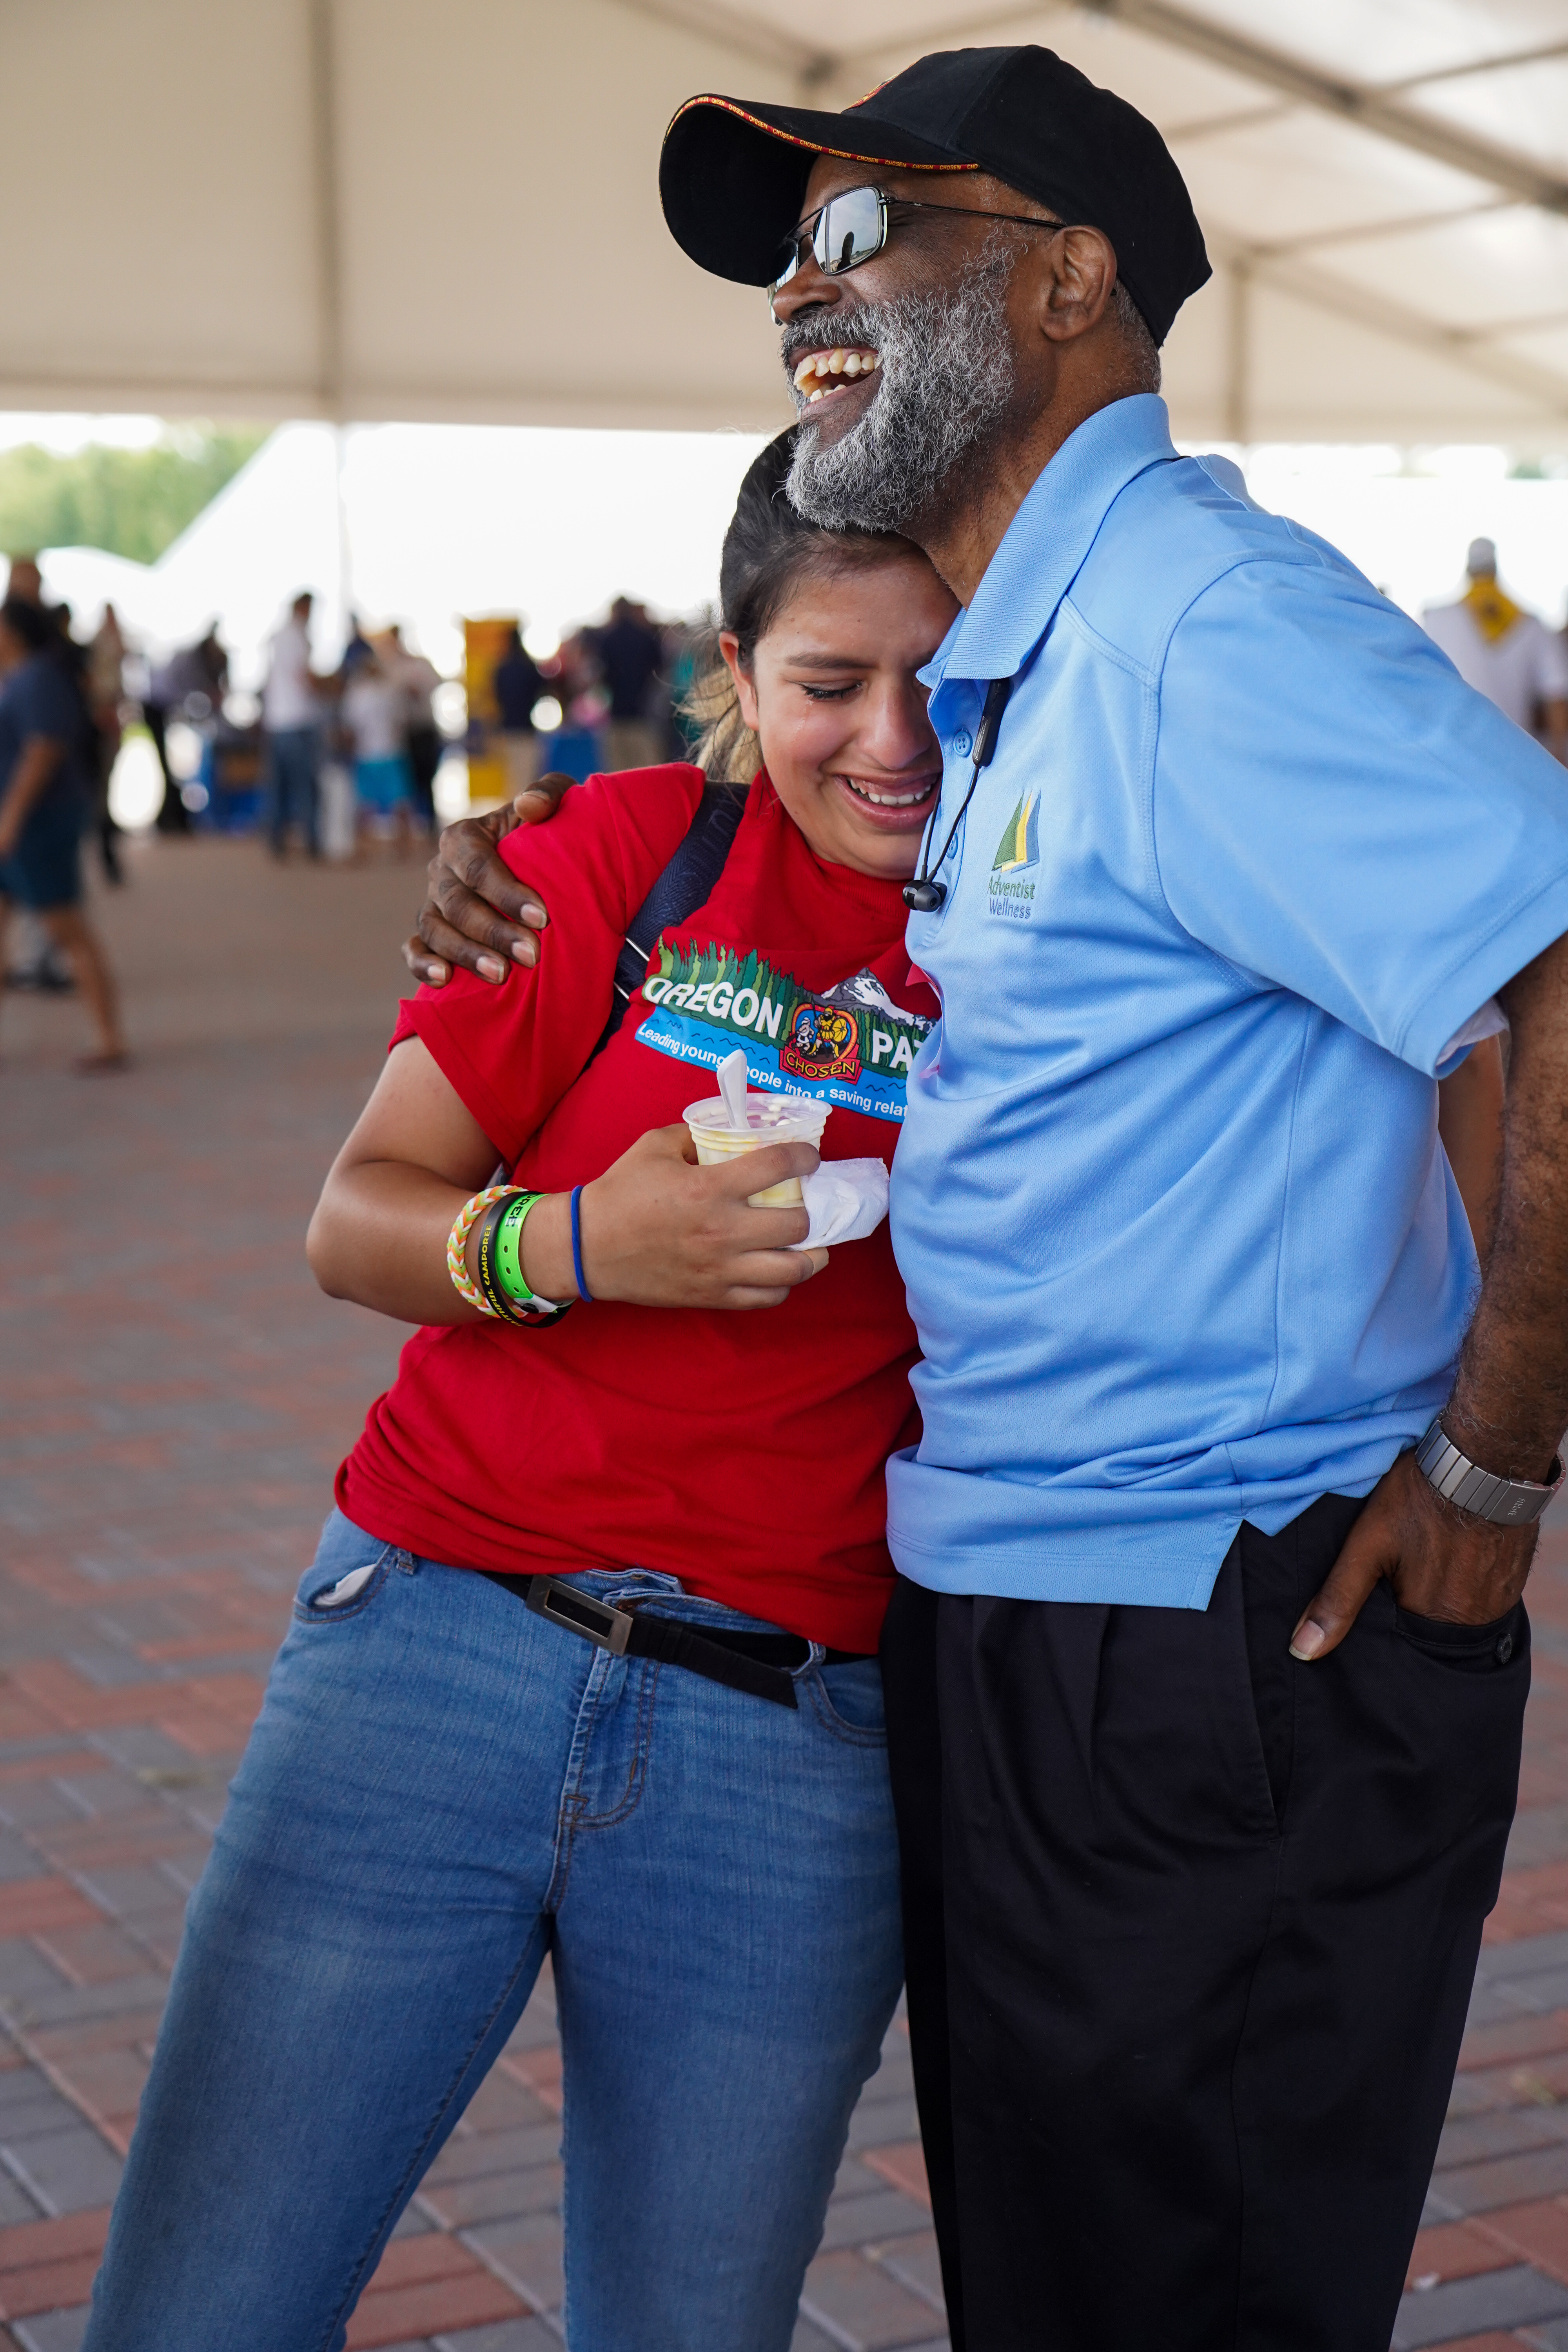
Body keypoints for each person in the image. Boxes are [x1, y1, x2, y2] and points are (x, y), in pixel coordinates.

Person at [403, 45, 1568, 2351]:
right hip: (1056, 1636)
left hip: (1218, 1646)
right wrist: (532, 854)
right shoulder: (1039, 653)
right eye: (781, 263)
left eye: (856, 237)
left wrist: (1495, 1455)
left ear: (1061, 281)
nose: (794, 301)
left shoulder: (1202, 624)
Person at [80, 436, 963, 2352]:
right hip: (427, 1657)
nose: (893, 738)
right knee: (202, 2317)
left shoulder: (1043, 934)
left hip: (783, 1749)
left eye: (945, 677)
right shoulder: (615, 857)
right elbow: (353, 1221)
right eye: (828, 683)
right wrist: (571, 1247)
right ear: (735, 673)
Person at [0, 596, 127, 1071]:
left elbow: (43, 752)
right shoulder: (20, 679)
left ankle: (110, 1036)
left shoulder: (37, 679)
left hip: (38, 823)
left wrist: (11, 819)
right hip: (22, 823)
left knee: (65, 928)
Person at [1423, 536, 1568, 759]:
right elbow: (1557, 698)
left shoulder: (1439, 619)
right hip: (1517, 759)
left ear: (1468, 570)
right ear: (1496, 569)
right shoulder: (1531, 624)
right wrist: (1559, 759)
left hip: (1456, 754)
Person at [261, 592, 325, 858]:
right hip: (298, 720)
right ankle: (312, 842)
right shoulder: (296, 634)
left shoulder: (279, 635)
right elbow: (303, 675)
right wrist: (328, 689)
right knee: (305, 785)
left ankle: (276, 841)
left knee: (280, 785)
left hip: (278, 720)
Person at [340, 648, 416, 857]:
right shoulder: (390, 691)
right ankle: (401, 846)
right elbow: (404, 721)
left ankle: (363, 847)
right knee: (396, 803)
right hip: (390, 752)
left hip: (371, 754)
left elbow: (349, 728)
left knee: (368, 805)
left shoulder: (358, 692)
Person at [587, 595, 665, 769]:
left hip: (618, 714)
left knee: (619, 770)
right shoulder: (646, 638)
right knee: (646, 768)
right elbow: (660, 672)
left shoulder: (608, 640)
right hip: (644, 713)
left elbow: (600, 676)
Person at [381, 622, 442, 831]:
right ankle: (415, 826)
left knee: (427, 779)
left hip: (423, 729)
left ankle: (430, 825)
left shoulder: (419, 665)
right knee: (409, 783)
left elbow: (435, 685)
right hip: (404, 733)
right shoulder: (389, 668)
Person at [490, 621, 545, 799]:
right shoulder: (528, 666)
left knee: (513, 778)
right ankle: (523, 820)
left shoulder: (501, 668)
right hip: (526, 728)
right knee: (527, 777)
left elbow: (496, 697)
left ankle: (514, 819)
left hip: (507, 728)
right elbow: (541, 691)